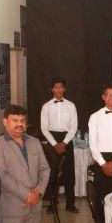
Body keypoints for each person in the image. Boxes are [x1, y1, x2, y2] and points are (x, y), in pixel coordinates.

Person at [39, 77, 79, 213]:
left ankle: (70, 204)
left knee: (69, 173)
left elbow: (74, 127)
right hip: (52, 140)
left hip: (67, 139)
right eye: (56, 87)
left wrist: (64, 142)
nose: (58, 89)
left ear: (64, 89)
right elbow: (44, 128)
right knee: (53, 173)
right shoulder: (46, 106)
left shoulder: (71, 106)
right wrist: (55, 144)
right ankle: (52, 204)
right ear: (52, 89)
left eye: (61, 87)